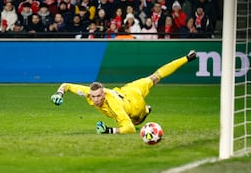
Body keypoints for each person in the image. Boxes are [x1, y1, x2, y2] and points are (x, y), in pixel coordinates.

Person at [50, 50, 198, 134]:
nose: (96, 100)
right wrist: (59, 93)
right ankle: (188, 57)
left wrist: (108, 131)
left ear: (104, 94)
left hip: (135, 106)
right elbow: (66, 85)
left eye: (99, 96)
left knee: (136, 120)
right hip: (129, 89)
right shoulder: (87, 92)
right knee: (155, 76)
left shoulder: (113, 105)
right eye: (93, 96)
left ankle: (146, 111)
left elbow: (130, 129)